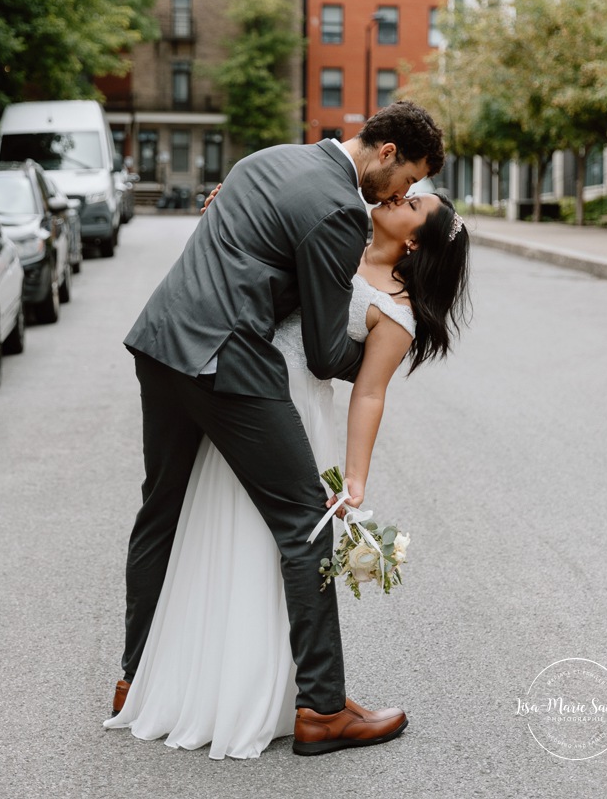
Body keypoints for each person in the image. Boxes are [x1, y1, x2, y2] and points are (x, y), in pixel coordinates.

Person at [111, 102, 445, 756]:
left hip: (160, 342)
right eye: (408, 179)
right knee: (305, 524)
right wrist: (376, 355)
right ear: (385, 154)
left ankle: (135, 679)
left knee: (160, 513)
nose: (403, 193)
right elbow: (323, 351)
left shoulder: (270, 159)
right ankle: (323, 709)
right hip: (225, 362)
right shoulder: (340, 210)